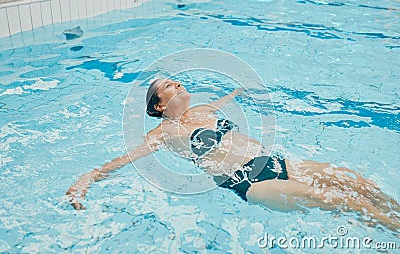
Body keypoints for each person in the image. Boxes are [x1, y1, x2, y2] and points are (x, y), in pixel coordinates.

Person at [66, 79, 400, 232]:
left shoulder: (206, 108)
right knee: (337, 200)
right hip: (248, 181)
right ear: (159, 105)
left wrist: (242, 90)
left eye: (177, 81)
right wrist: (87, 179)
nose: (178, 84)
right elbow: (126, 159)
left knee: (357, 183)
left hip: (276, 161)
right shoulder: (162, 134)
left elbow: (229, 98)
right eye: (169, 85)